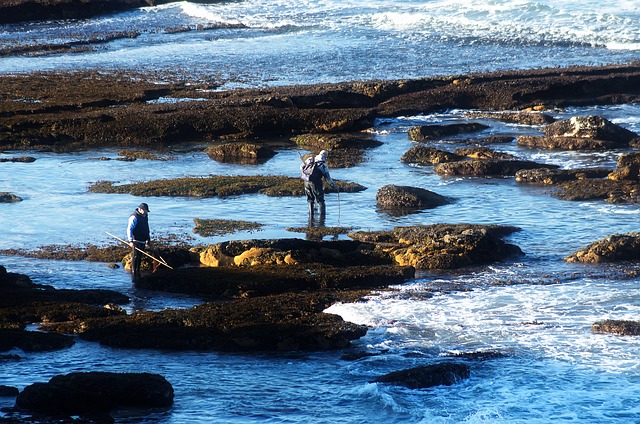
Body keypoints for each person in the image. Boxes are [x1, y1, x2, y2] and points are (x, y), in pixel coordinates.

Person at [300, 149, 337, 222]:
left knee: (310, 199)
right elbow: (328, 178)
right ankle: (322, 219)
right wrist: (333, 185)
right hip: (316, 183)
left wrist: (304, 175)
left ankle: (311, 217)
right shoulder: (323, 165)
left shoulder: (310, 159)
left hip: (306, 182)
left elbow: (301, 167)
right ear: (325, 157)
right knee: (321, 201)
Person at [126, 202, 151, 277]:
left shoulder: (145, 216)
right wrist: (130, 241)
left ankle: (138, 271)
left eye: (146, 211)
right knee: (135, 257)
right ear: (140, 209)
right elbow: (129, 229)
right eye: (145, 211)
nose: (146, 212)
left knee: (140, 256)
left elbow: (146, 227)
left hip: (143, 240)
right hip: (136, 240)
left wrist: (148, 238)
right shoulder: (134, 217)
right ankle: (134, 273)